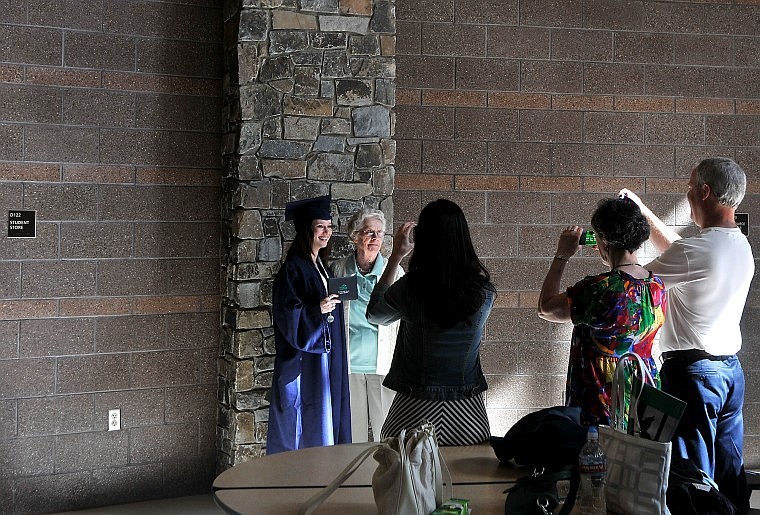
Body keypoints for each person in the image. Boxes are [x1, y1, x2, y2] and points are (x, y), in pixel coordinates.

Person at [620, 157, 754, 511]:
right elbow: (681, 253)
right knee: (729, 472)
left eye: (690, 187)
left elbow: (633, 283)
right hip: (730, 375)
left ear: (704, 192)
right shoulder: (737, 245)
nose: (687, 194)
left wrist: (615, 253)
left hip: (693, 377)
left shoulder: (695, 253)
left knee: (691, 476)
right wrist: (645, 214)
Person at [366, 199, 496, 445]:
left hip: (414, 408)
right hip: (468, 411)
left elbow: (375, 314)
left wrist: (396, 256)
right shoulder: (484, 292)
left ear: (423, 239)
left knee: (407, 478)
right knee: (469, 482)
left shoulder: (412, 288)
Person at [537, 197, 667, 427]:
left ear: (604, 239)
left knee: (598, 460)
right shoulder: (656, 286)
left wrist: (562, 255)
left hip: (602, 400)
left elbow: (546, 308)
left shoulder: (602, 288)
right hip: (643, 395)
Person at [267, 195, 351, 454]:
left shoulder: (319, 265)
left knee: (323, 415)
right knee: (303, 420)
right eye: (321, 227)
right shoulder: (293, 268)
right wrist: (317, 310)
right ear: (307, 230)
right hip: (305, 360)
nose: (327, 232)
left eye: (329, 226)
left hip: (323, 357)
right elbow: (286, 314)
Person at [331, 208, 402, 442]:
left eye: (380, 233)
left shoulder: (395, 273)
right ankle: (356, 478)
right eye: (369, 232)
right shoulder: (339, 270)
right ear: (355, 236)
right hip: (349, 363)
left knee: (386, 431)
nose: (375, 238)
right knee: (353, 433)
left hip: (384, 364)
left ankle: (387, 477)